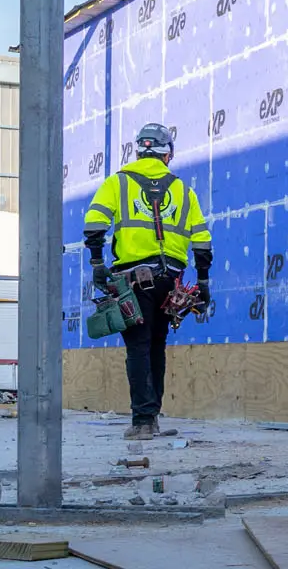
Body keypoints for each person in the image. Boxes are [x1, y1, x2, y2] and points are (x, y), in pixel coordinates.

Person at [83, 123, 212, 440]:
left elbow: (94, 223)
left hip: (135, 282)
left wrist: (98, 264)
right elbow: (202, 240)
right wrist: (204, 282)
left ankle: (143, 422)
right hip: (172, 282)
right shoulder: (183, 189)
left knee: (138, 347)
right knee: (157, 345)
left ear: (139, 150)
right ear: (168, 154)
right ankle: (151, 417)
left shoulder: (118, 182)